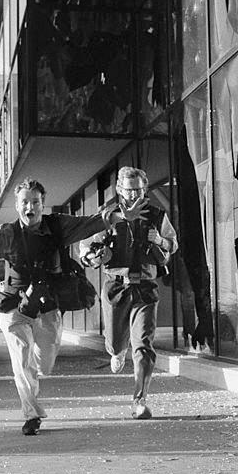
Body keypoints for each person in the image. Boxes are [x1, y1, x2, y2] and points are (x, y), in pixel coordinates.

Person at [0, 177, 135, 436]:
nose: (30, 207)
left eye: (35, 202)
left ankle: (35, 379)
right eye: (24, 202)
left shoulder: (58, 226)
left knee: (44, 363)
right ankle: (31, 415)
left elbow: (91, 222)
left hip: (48, 305)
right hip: (14, 306)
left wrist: (119, 215)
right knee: (21, 359)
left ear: (43, 204)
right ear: (17, 206)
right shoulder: (7, 233)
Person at [81, 166, 178, 420]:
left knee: (144, 345)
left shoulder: (157, 215)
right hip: (115, 287)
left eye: (138, 189)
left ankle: (140, 400)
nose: (133, 195)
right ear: (119, 190)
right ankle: (116, 350)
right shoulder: (108, 215)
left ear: (144, 189)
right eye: (128, 189)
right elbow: (86, 250)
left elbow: (172, 245)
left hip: (145, 287)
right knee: (114, 342)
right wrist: (94, 256)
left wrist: (159, 240)